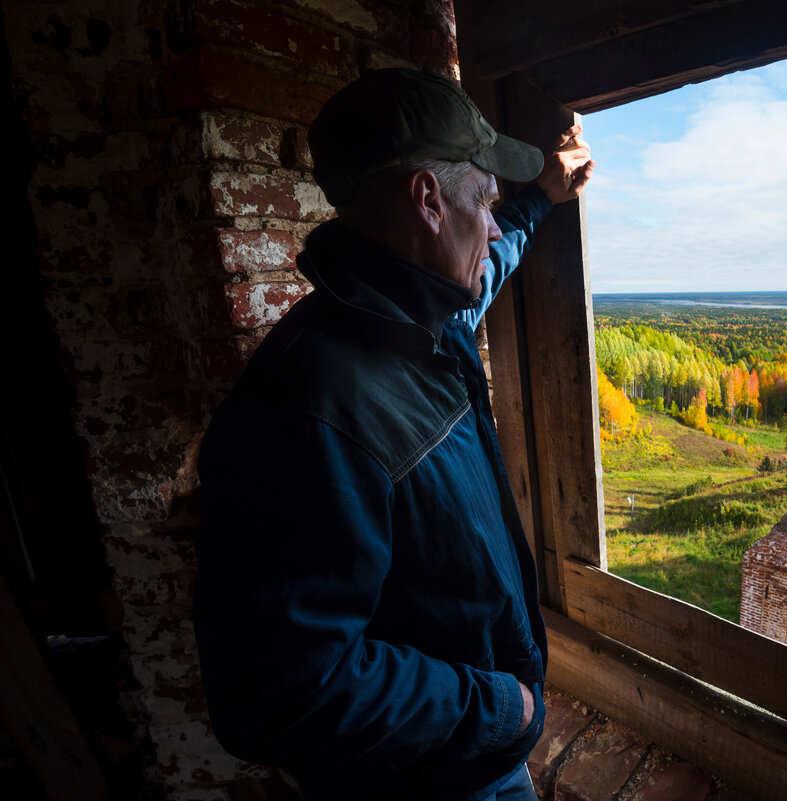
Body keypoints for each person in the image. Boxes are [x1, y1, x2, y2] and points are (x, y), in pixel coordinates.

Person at [192, 68, 594, 801]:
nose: (496, 225)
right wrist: (504, 705)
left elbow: (492, 258)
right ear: (429, 201)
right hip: (425, 779)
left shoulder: (426, 324)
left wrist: (545, 194)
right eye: (488, 202)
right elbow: (278, 692)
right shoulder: (305, 411)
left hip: (472, 751)